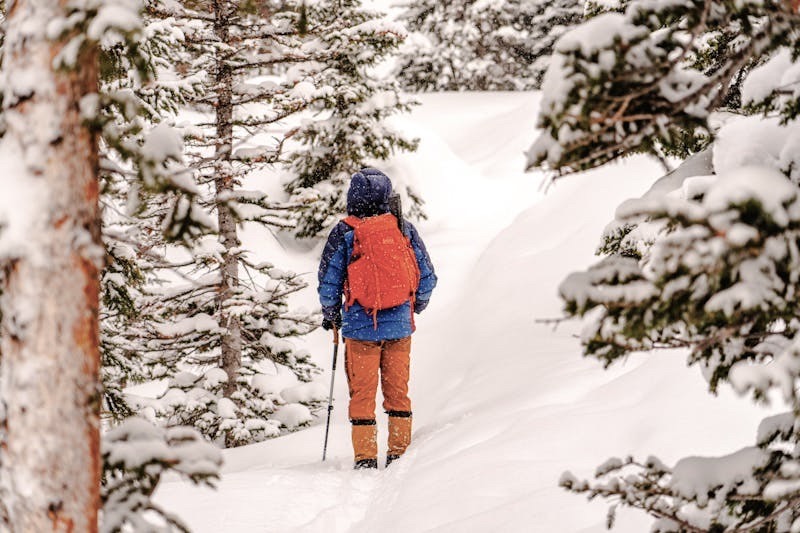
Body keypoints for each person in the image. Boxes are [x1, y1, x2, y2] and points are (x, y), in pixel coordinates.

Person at [318, 168, 437, 469]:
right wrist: (413, 306)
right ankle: (399, 454)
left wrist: (332, 314)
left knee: (362, 395)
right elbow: (427, 277)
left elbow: (328, 282)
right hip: (399, 327)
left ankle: (366, 458)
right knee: (398, 392)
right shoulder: (402, 229)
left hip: (360, 329)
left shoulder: (344, 232)